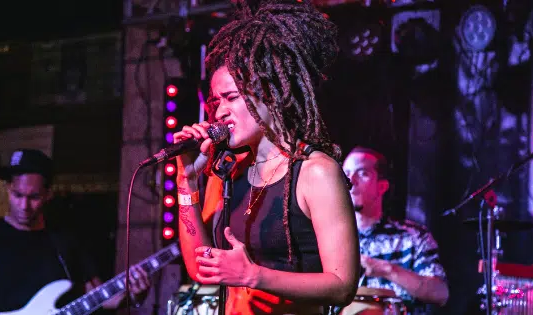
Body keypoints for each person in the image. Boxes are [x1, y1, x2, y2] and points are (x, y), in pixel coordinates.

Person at [173, 0, 361, 314]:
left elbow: (342, 285)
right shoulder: (228, 173)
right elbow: (201, 268)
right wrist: (186, 179)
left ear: (270, 93)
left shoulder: (315, 172)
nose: (219, 111)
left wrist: (253, 275)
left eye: (231, 97)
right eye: (214, 100)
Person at [0, 149, 151, 314]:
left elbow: (100, 297)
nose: (24, 206)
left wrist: (134, 295)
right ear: (8, 189)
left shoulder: (64, 242)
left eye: (34, 197)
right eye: (18, 195)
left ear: (48, 194)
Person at [341, 146, 449, 314]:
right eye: (346, 173)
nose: (351, 180)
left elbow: (440, 294)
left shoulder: (413, 237)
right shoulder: (328, 238)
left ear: (382, 186)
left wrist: (387, 269)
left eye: (362, 173)